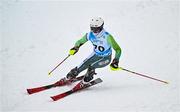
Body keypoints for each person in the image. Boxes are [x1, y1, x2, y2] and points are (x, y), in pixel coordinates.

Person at [59, 17, 122, 89]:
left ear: (101, 27)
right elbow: (80, 42)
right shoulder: (90, 35)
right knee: (79, 67)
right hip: (95, 55)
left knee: (91, 67)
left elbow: (118, 49)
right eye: (92, 28)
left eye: (96, 29)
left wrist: (116, 60)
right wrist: (76, 47)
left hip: (105, 58)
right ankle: (68, 77)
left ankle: (85, 81)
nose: (94, 31)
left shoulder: (107, 37)